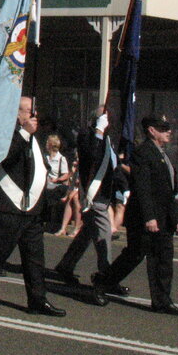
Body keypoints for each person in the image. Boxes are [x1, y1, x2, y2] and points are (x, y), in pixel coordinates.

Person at [0, 97, 65, 317]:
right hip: (9, 205)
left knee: (35, 258)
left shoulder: (37, 136)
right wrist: (24, 132)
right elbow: (4, 158)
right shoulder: (5, 132)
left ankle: (37, 299)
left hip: (32, 208)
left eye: (33, 111)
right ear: (16, 113)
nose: (32, 116)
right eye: (27, 111)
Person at [94, 115, 178, 315]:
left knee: (163, 259)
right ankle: (102, 283)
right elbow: (142, 187)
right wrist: (149, 217)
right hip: (145, 216)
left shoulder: (162, 154)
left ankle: (162, 301)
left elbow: (168, 191)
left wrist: (176, 218)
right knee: (134, 255)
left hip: (164, 216)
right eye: (163, 129)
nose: (168, 132)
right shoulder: (142, 152)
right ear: (152, 131)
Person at [51, 107, 128, 294]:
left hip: (105, 195)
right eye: (106, 118)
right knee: (104, 235)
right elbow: (92, 156)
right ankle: (107, 276)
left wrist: (124, 188)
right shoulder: (87, 136)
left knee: (86, 235)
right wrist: (99, 132)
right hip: (94, 196)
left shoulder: (107, 140)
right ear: (98, 120)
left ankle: (66, 265)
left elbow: (112, 168)